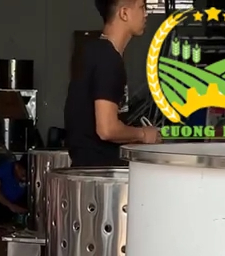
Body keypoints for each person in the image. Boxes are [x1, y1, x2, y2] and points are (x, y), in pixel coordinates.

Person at [64, 0, 161, 167]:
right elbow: (107, 129)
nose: (146, 14)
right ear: (124, 13)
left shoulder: (93, 51)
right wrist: (144, 134)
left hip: (86, 167)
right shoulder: (108, 59)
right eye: (141, 7)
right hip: (99, 171)